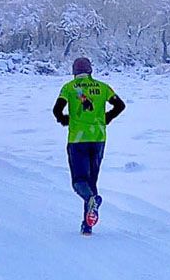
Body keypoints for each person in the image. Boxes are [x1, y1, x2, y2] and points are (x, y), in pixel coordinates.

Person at [53, 57, 126, 235]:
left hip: (77, 140)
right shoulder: (102, 87)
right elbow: (120, 105)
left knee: (79, 181)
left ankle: (90, 201)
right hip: (99, 139)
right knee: (92, 181)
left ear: (74, 71)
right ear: (91, 70)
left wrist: (64, 120)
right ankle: (87, 226)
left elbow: (57, 109)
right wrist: (106, 118)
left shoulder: (70, 88)